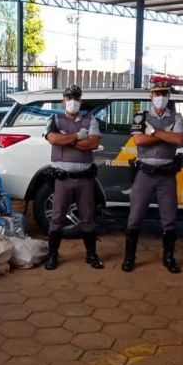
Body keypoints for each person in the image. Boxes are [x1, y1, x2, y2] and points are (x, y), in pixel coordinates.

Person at [123, 82, 183, 273]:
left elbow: (178, 139)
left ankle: (169, 258)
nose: (160, 97)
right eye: (157, 93)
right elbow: (139, 140)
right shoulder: (141, 116)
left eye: (164, 93)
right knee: (135, 217)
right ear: (151, 96)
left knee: (169, 218)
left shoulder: (176, 116)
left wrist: (154, 132)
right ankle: (129, 258)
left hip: (167, 175)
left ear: (168, 96)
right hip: (145, 174)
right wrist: (166, 134)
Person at [44, 84, 104, 270]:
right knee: (57, 218)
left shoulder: (91, 119)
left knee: (87, 217)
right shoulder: (54, 118)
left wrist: (66, 140)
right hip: (63, 179)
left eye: (76, 98)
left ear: (81, 100)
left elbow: (92, 144)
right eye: (69, 98)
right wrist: (78, 136)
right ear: (63, 100)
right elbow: (53, 140)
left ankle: (91, 255)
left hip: (85, 179)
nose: (73, 101)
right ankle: (52, 255)